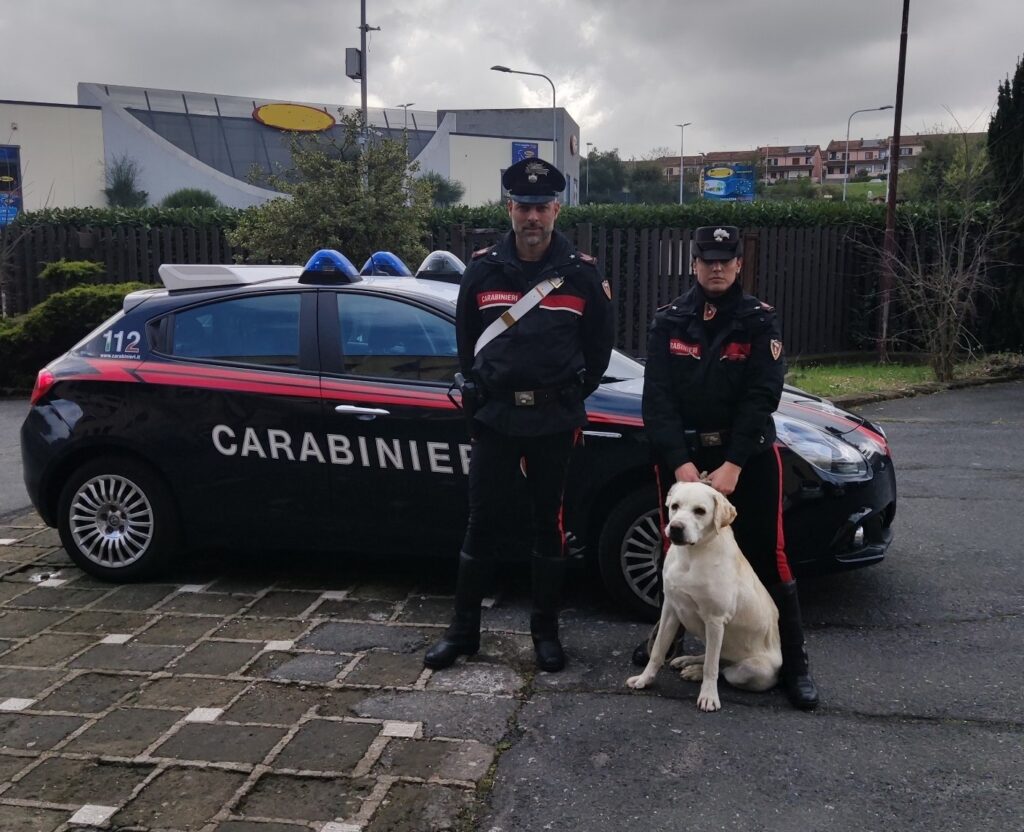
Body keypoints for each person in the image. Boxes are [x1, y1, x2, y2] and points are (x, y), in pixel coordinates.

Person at [424, 158, 614, 673]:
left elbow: (598, 350)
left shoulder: (581, 274)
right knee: (481, 523)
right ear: (510, 208)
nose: (533, 217)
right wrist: (485, 396)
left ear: (557, 209)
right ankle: (463, 633)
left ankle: (545, 636)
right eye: (524, 207)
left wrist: (570, 396)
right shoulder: (483, 270)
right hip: (498, 420)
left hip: (553, 422)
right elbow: (468, 346)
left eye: (542, 207)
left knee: (549, 527)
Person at [636, 225, 820, 710]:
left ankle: (795, 664)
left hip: (748, 457)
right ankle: (668, 641)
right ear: (694, 264)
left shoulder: (760, 320)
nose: (716, 268)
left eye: (725, 259)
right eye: (707, 259)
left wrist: (734, 463)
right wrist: (681, 464)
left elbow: (763, 396)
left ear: (739, 264)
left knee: (768, 553)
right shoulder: (669, 320)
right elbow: (657, 399)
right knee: (675, 553)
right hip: (684, 458)